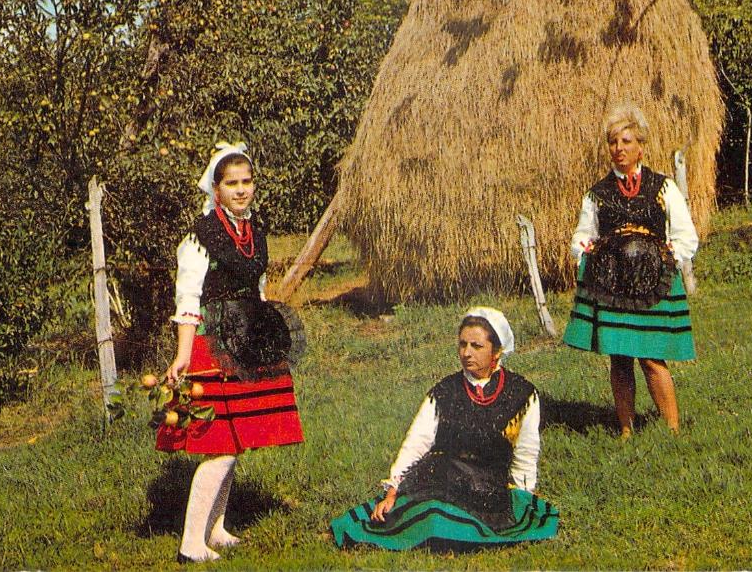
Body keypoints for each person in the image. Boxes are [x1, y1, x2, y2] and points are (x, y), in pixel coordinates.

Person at [155, 143, 304, 563]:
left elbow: (256, 288)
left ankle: (216, 529)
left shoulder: (253, 231)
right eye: (231, 183)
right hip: (213, 345)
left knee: (236, 443)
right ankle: (189, 544)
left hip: (247, 339)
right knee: (219, 446)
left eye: (246, 182)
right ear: (216, 190)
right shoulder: (199, 236)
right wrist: (183, 355)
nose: (241, 190)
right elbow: (188, 298)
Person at [331, 307, 559, 551]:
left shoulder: (522, 393)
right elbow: (416, 442)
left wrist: (524, 494)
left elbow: (526, 450)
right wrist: (392, 492)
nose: (467, 353)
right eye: (462, 344)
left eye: (476, 346)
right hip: (444, 482)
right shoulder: (445, 391)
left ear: (497, 350)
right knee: (433, 519)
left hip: (490, 489)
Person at [563, 103, 698, 436]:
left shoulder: (664, 188)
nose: (619, 149)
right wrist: (585, 253)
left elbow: (685, 236)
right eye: (613, 142)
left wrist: (665, 259)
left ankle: (672, 431)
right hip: (611, 285)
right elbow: (583, 236)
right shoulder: (597, 194)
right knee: (619, 359)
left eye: (626, 141)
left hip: (654, 285)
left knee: (653, 359)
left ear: (641, 146)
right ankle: (625, 430)